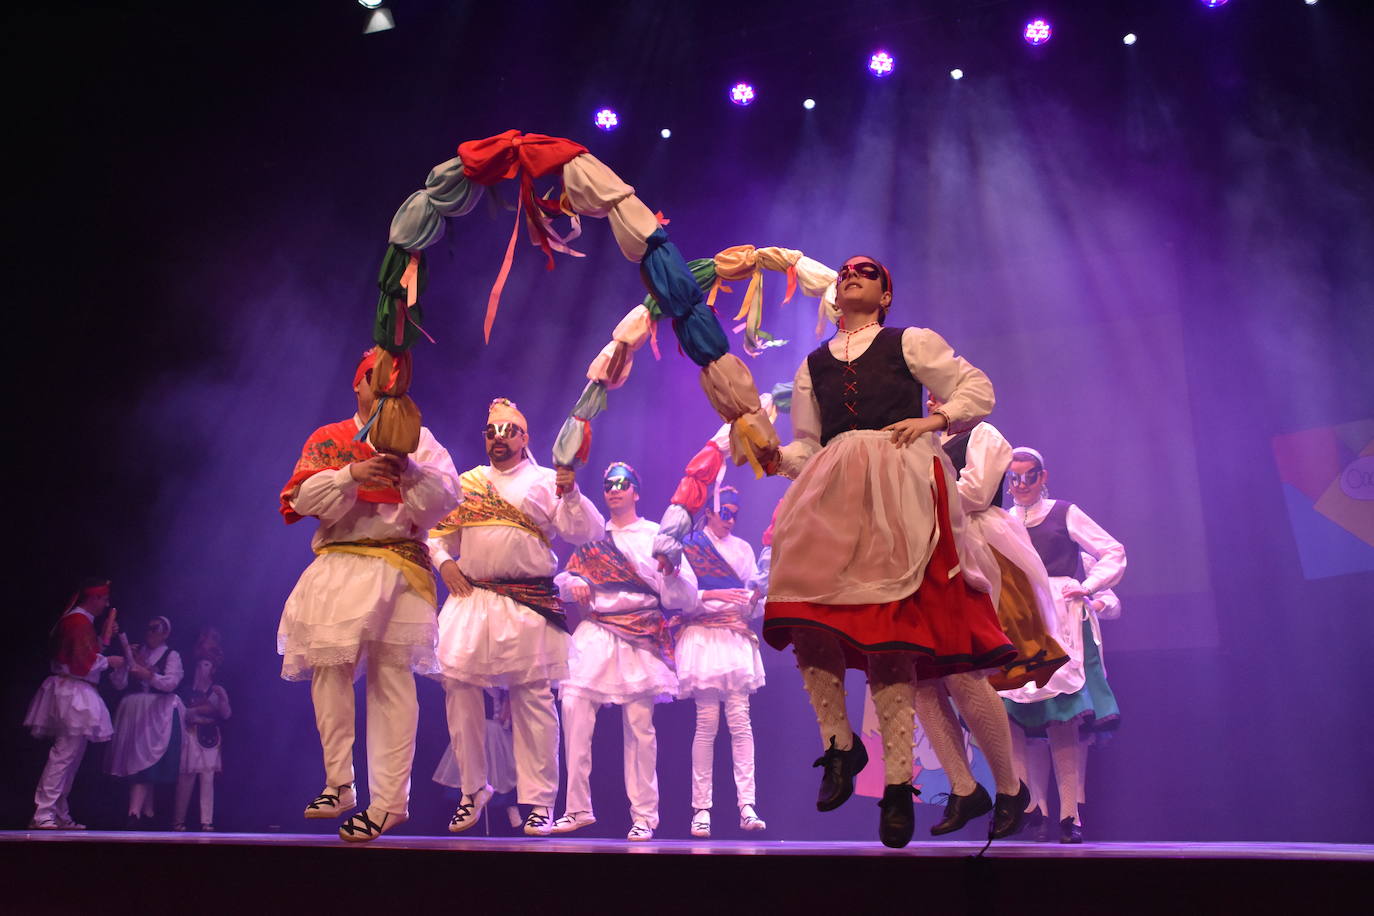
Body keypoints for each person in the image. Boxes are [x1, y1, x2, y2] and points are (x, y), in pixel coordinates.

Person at [760, 255, 1024, 848]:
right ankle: (851, 750)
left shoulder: (909, 342)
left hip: (907, 500)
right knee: (814, 612)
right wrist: (777, 458)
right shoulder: (812, 365)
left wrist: (937, 422)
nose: (852, 274)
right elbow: (808, 445)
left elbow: (975, 388)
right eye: (846, 270)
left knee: (944, 655)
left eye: (867, 271)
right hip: (838, 503)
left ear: (885, 295)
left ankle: (1003, 787)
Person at [277, 347, 460, 842]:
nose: (382, 389)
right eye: (373, 380)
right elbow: (301, 499)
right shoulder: (331, 438)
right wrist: (350, 474)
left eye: (392, 382)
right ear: (358, 385)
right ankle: (340, 782)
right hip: (341, 562)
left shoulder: (420, 441)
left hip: (399, 564)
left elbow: (444, 504)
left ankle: (390, 802)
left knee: (391, 679)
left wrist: (409, 470)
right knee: (328, 670)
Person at [430, 398, 603, 837]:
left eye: (509, 431)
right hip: (475, 595)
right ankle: (473, 787)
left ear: (525, 437)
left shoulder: (546, 480)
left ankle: (539, 801)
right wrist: (443, 562)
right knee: (458, 685)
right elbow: (434, 532)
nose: (499, 439)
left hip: (527, 600)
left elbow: (585, 531)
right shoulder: (467, 482)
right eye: (491, 432)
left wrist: (572, 491)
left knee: (533, 700)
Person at [921, 398, 1070, 836]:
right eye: (929, 395)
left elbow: (974, 493)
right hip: (927, 551)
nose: (932, 401)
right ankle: (964, 785)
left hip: (972, 549)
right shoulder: (922, 438)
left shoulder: (984, 436)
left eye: (942, 394)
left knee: (968, 670)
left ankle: (1009, 788)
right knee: (920, 677)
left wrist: (917, 501)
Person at [547, 461, 696, 841]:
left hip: (641, 633)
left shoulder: (655, 536)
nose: (614, 489)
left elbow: (685, 596)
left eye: (622, 483)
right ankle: (577, 808)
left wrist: (672, 571)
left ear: (636, 491)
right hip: (597, 630)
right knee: (574, 705)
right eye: (608, 483)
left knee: (639, 727)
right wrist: (576, 580)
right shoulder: (594, 534)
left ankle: (645, 815)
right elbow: (565, 578)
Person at [1000, 447, 1126, 843]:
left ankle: (1070, 814)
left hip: (1060, 623)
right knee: (1013, 714)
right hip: (1018, 623)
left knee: (1062, 714)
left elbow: (1112, 551)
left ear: (1043, 476)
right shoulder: (1001, 521)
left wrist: (1088, 587)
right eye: (1014, 478)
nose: (1021, 485)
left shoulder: (1062, 513)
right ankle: (1030, 806)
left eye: (1029, 477)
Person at [677, 485, 768, 838]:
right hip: (704, 638)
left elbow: (752, 601)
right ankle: (701, 808)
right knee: (707, 723)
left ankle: (747, 804)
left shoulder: (744, 550)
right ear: (710, 512)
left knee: (740, 721)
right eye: (724, 513)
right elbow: (679, 596)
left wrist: (751, 599)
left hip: (733, 637)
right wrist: (713, 594)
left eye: (734, 514)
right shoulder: (691, 546)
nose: (729, 520)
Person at [24, 578, 125, 829]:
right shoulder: (77, 622)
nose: (106, 604)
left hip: (76, 688)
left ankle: (58, 810)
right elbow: (82, 663)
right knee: (64, 754)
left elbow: (83, 653)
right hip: (72, 691)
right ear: (93, 598)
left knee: (72, 755)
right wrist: (108, 661)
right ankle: (43, 812)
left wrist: (102, 640)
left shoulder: (82, 623)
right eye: (104, 599)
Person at [106, 616, 184, 827]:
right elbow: (119, 684)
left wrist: (148, 675)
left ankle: (137, 812)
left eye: (155, 629)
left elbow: (171, 682)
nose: (150, 633)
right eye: (148, 629)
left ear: (165, 633)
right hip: (135, 712)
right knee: (138, 760)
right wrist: (126, 661)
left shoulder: (171, 655)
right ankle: (144, 812)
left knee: (148, 761)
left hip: (158, 712)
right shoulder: (137, 652)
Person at [174, 629, 231, 831]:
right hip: (191, 735)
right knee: (186, 777)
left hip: (210, 737)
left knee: (207, 779)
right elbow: (185, 714)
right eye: (200, 665)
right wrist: (201, 709)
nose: (202, 669)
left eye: (206, 665)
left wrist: (221, 700)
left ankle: (206, 820)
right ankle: (178, 821)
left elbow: (225, 714)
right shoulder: (187, 690)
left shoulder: (217, 690)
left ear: (212, 668)